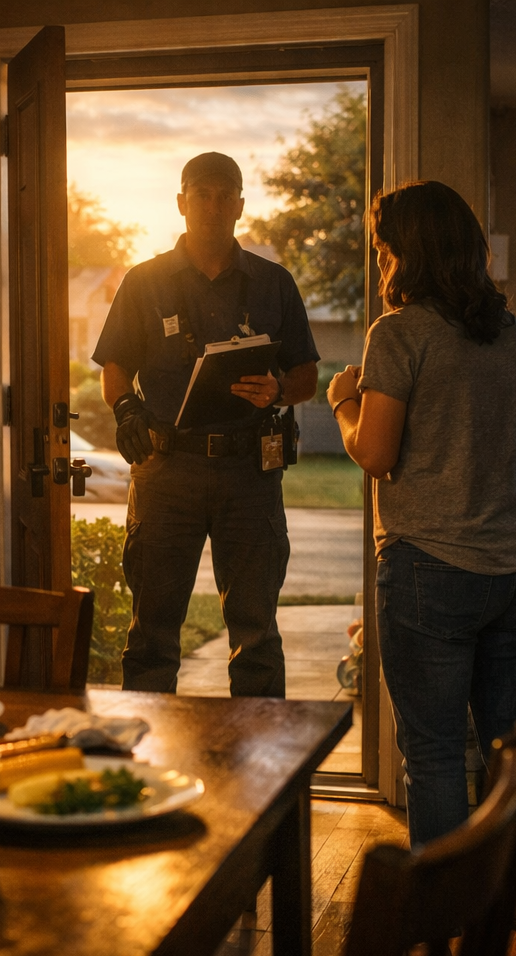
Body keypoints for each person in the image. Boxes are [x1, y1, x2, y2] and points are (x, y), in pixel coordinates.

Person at [326, 180, 516, 938]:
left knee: (432, 752)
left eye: (384, 248)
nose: (381, 261)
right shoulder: (508, 332)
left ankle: (441, 920)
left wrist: (343, 402)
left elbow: (376, 453)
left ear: (407, 252)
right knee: (513, 743)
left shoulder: (399, 334)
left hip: (433, 568)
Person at [93, 152, 319, 697]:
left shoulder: (273, 283)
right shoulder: (144, 282)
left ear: (240, 205)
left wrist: (279, 390)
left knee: (257, 638)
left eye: (224, 196)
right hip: (167, 471)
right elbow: (115, 366)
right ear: (181, 202)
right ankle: (147, 753)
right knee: (151, 638)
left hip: (250, 476)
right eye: (201, 195)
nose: (213, 206)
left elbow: (307, 375)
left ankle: (260, 754)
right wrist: (125, 409)